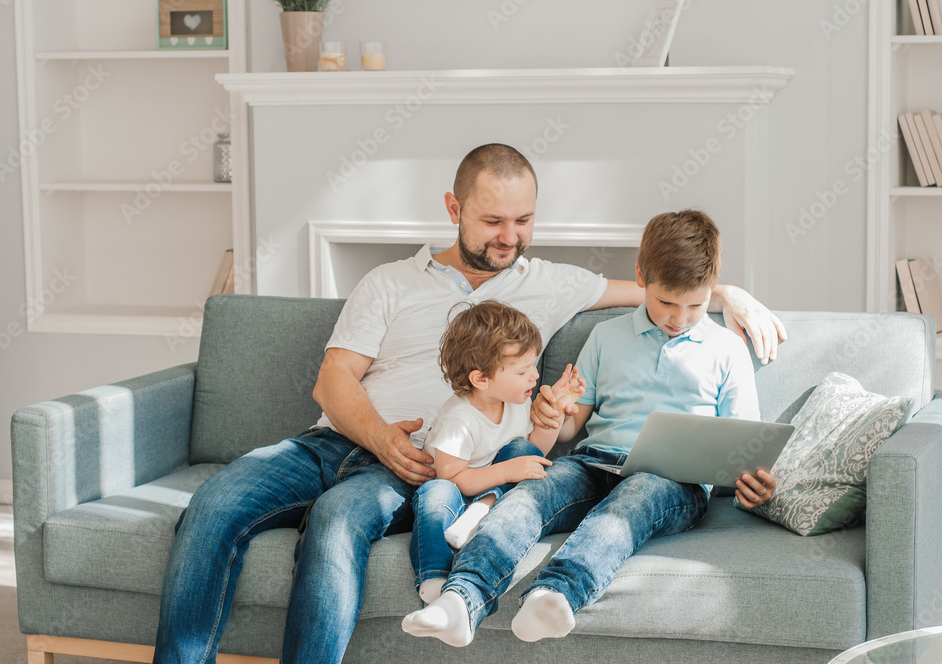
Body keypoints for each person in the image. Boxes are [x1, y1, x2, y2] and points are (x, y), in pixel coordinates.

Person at [151, 145, 787, 664]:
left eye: (524, 221)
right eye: (492, 221)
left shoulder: (552, 283)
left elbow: (660, 291)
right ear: (454, 208)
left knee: (336, 524)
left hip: (422, 464)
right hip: (337, 441)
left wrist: (732, 293)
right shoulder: (389, 282)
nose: (510, 237)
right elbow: (333, 380)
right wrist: (378, 436)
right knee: (213, 504)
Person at [401, 209, 778, 647]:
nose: (679, 317)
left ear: (712, 291)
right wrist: (555, 414)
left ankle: (556, 593)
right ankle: (461, 599)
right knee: (530, 494)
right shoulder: (606, 336)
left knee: (631, 504)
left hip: (672, 481)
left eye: (695, 305)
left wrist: (753, 484)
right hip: (593, 462)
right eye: (666, 303)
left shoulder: (727, 349)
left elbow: (744, 446)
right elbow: (571, 426)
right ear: (641, 278)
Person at [411, 300, 585, 604]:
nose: (534, 376)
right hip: (455, 488)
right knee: (434, 495)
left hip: (492, 492)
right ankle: (434, 575)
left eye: (534, 364)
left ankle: (483, 509)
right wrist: (506, 472)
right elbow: (450, 476)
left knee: (520, 448)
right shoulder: (460, 419)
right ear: (481, 379)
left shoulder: (517, 400)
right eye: (522, 371)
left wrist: (555, 413)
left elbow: (534, 451)